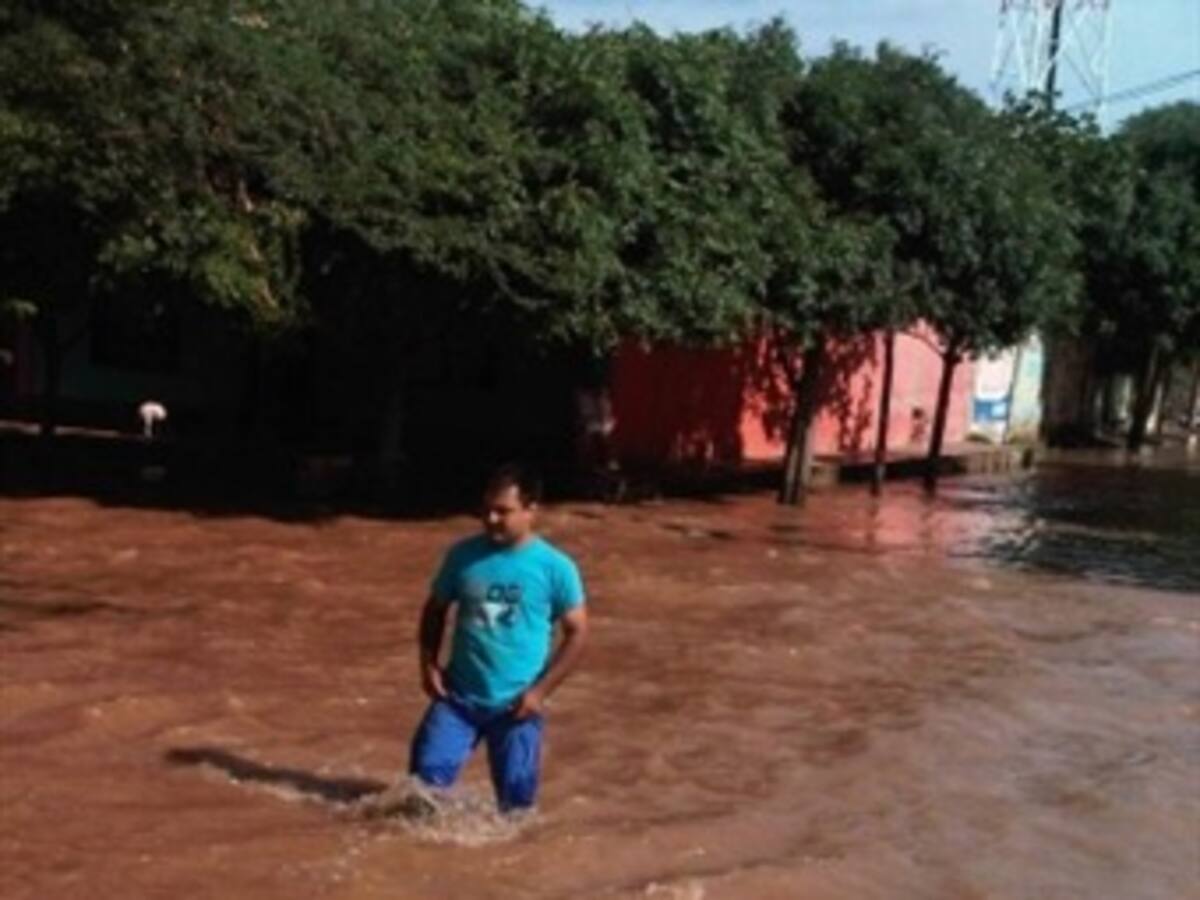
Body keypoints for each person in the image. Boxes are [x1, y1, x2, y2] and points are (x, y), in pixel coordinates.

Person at [408, 463, 588, 813]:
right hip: (458, 697)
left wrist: (539, 693)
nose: (490, 518)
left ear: (531, 510)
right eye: (486, 509)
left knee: (516, 811)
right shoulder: (462, 556)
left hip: (517, 706)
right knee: (419, 791)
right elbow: (435, 609)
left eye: (502, 511)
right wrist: (428, 663)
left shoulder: (556, 568)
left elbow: (578, 633)